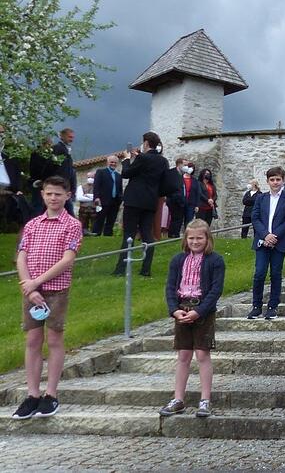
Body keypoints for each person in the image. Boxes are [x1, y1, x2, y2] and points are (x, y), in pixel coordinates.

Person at [11, 176, 82, 420]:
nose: (53, 198)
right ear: (43, 195)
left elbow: (67, 258)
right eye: (49, 193)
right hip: (31, 292)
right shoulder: (32, 225)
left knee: (53, 339)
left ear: (67, 196)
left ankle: (51, 394)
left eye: (58, 194)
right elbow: (22, 256)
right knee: (32, 339)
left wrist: (37, 282)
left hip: (56, 290)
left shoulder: (72, 224)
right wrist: (29, 287)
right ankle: (32, 394)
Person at [158, 219, 225, 418]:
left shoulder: (215, 261)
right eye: (191, 238)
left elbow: (215, 290)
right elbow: (170, 287)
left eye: (199, 238)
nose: (195, 242)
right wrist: (174, 310)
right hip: (182, 307)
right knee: (183, 355)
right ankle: (178, 398)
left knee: (202, 354)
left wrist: (200, 311)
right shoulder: (178, 260)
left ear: (207, 239)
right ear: (185, 239)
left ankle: (205, 399)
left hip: (202, 309)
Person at [112, 132, 168, 277]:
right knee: (147, 235)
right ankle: (146, 269)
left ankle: (121, 269)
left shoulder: (143, 158)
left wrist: (126, 159)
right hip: (150, 201)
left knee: (129, 235)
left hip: (134, 199)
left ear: (146, 143)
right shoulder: (163, 161)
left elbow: (126, 173)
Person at [248, 166, 285, 321]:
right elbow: (255, 218)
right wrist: (265, 235)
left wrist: (274, 236)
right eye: (272, 179)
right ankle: (256, 306)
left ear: (283, 180)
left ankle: (272, 306)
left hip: (279, 242)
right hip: (262, 241)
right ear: (268, 181)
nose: (275, 182)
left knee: (276, 274)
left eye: (278, 179)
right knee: (259, 273)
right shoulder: (261, 198)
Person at [92, 155, 123, 236]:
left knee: (111, 219)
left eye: (115, 163)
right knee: (100, 219)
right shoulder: (101, 172)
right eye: (111, 162)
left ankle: (108, 234)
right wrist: (96, 197)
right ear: (107, 163)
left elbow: (120, 189)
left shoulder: (118, 176)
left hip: (115, 201)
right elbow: (96, 186)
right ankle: (96, 234)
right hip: (102, 200)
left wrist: (120, 199)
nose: (113, 164)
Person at [51, 129, 76, 217]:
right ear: (63, 136)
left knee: (67, 207)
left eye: (72, 137)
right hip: (59, 183)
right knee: (68, 207)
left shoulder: (66, 149)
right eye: (70, 137)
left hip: (65, 184)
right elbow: (55, 166)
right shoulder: (58, 148)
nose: (71, 139)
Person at [74, 170, 96, 235]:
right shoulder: (81, 187)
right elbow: (79, 198)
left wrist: (86, 195)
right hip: (83, 209)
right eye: (89, 177)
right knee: (83, 223)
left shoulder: (98, 187)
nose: (90, 179)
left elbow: (99, 196)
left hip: (94, 209)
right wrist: (92, 198)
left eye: (92, 177)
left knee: (94, 223)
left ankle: (94, 232)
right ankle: (83, 233)